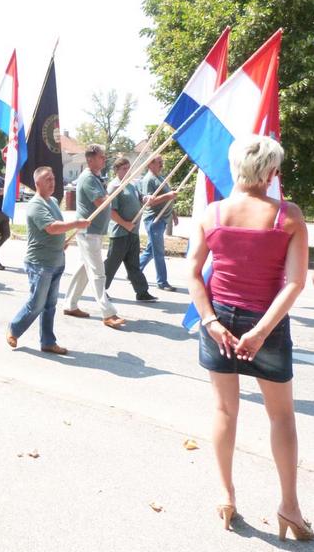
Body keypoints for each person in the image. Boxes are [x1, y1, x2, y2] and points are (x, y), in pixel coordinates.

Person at [188, 135, 310, 538]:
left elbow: (193, 273)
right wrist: (260, 331)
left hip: (219, 319)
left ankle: (226, 495)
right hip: (266, 322)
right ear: (271, 171)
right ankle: (289, 507)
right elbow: (295, 283)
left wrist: (209, 321)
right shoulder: (288, 215)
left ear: (234, 166)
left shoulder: (212, 213)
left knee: (224, 410)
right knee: (281, 416)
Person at [7, 166, 89, 353]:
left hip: (56, 260)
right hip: (40, 263)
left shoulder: (52, 201)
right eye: (48, 179)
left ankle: (48, 342)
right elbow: (51, 227)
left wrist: (62, 242)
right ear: (37, 183)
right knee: (37, 304)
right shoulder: (36, 205)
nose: (53, 182)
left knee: (50, 305)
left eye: (53, 178)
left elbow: (55, 230)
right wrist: (76, 223)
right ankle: (14, 329)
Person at [63, 144, 125, 329]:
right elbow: (100, 202)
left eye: (104, 156)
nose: (104, 159)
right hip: (88, 232)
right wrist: (115, 192)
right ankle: (108, 313)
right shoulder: (88, 178)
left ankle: (70, 305)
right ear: (90, 160)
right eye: (101, 157)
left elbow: (104, 200)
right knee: (98, 273)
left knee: (84, 269)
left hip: (94, 231)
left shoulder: (96, 177)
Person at [104, 157, 157, 302]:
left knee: (134, 264)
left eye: (128, 168)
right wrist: (124, 224)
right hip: (120, 232)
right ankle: (100, 289)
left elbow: (140, 198)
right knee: (112, 263)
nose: (127, 171)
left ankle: (142, 292)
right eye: (124, 169)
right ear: (116, 170)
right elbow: (111, 211)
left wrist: (147, 198)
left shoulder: (131, 184)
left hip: (133, 231)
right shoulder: (114, 187)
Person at [139, 155, 179, 291]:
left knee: (151, 250)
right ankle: (162, 282)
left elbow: (168, 199)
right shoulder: (149, 179)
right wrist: (168, 196)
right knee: (159, 252)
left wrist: (173, 214)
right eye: (159, 162)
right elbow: (149, 202)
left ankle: (134, 271)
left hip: (162, 219)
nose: (161, 165)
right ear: (150, 164)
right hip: (154, 219)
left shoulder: (160, 178)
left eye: (162, 162)